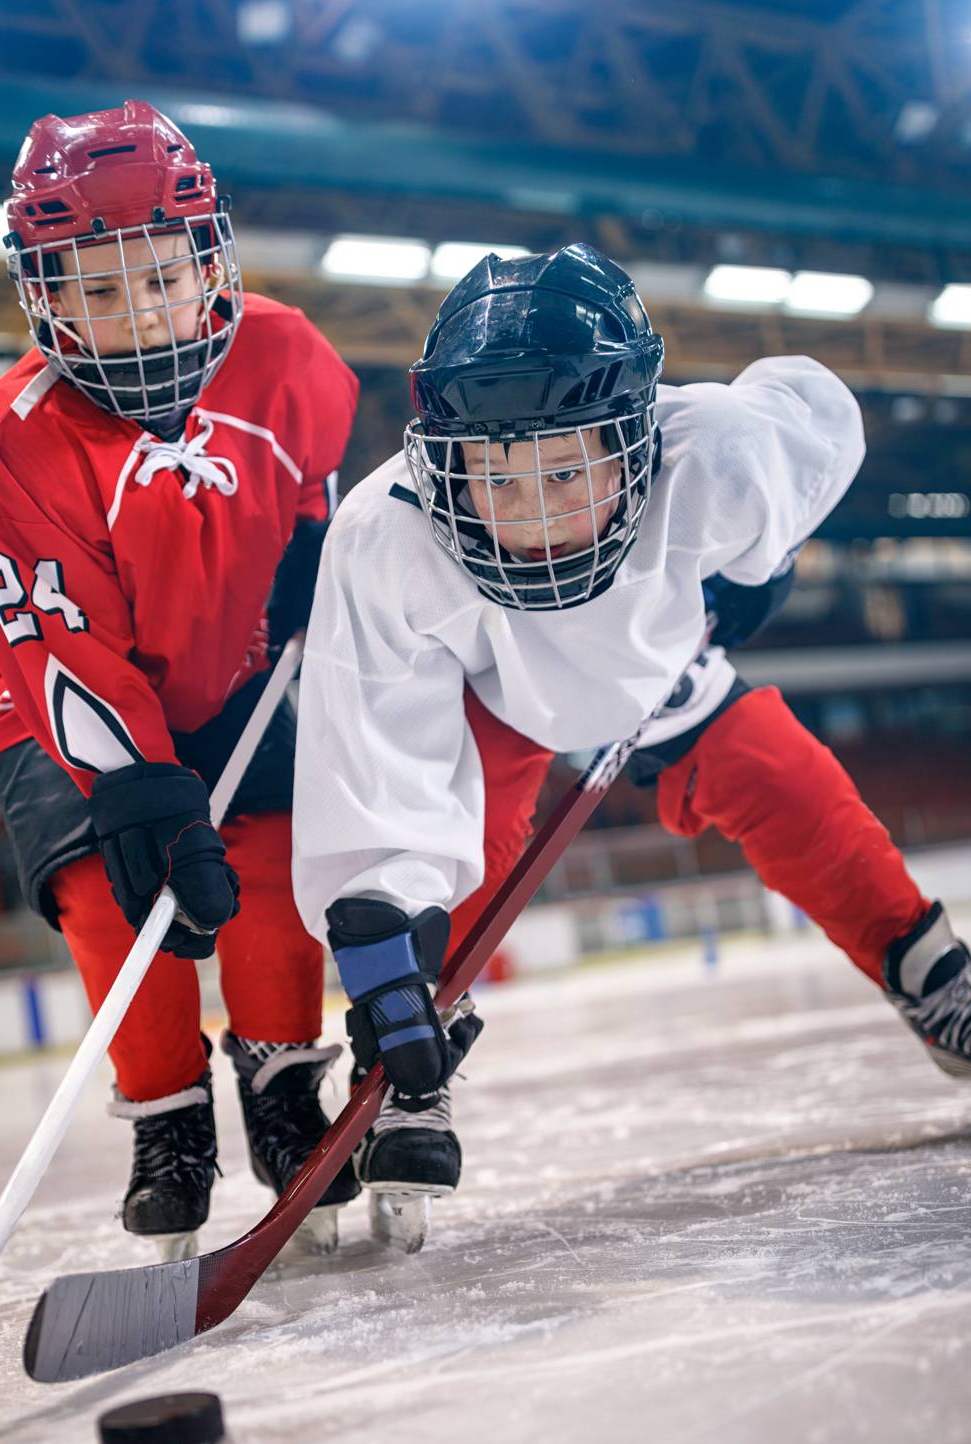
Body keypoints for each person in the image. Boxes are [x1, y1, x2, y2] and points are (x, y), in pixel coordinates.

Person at [291, 244, 971, 1229]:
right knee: (454, 853)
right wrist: (385, 975)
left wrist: (757, 556)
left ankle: (932, 973)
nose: (535, 520)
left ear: (636, 441)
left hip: (656, 667)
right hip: (497, 689)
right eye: (498, 478)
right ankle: (410, 1059)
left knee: (791, 785)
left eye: (566, 472)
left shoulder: (717, 450)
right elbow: (382, 778)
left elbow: (814, 422)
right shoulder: (382, 536)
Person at [0, 100, 361, 1257]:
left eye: (163, 274)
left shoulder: (290, 359)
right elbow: (56, 644)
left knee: (274, 859)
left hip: (233, 666)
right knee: (113, 890)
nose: (141, 312)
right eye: (99, 284)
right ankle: (168, 1121)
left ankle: (281, 1088)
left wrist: (310, 561)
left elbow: (313, 485)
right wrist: (139, 785)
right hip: (56, 692)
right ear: (46, 294)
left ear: (209, 258)